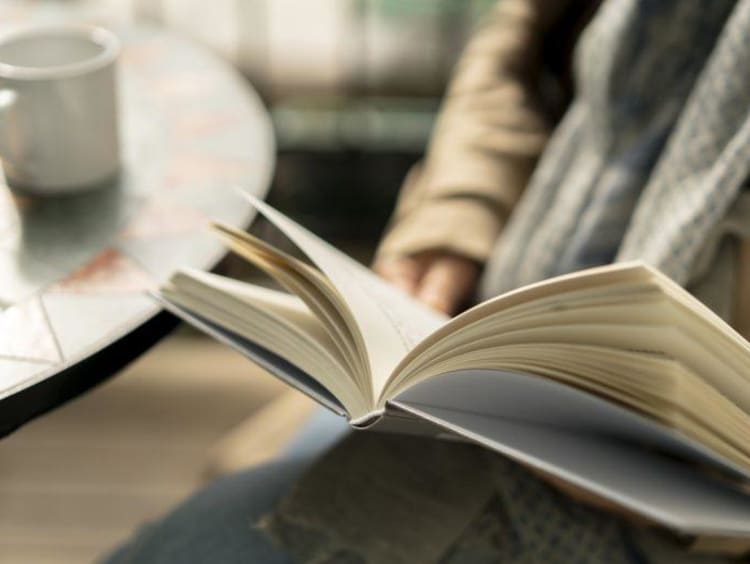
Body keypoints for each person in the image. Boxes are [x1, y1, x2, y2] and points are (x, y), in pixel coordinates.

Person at [104, 0, 750, 562]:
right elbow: (522, 42)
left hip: (665, 517)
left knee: (197, 542)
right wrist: (457, 219)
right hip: (485, 336)